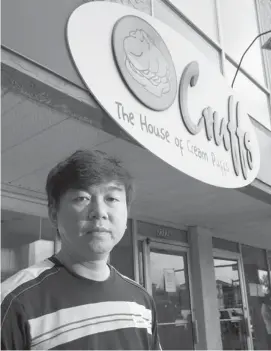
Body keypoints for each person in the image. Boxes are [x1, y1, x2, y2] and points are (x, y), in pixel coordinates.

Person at [1, 150, 161, 350]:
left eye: (111, 199)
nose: (100, 212)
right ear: (53, 214)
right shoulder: (14, 303)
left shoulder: (142, 300)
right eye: (82, 198)